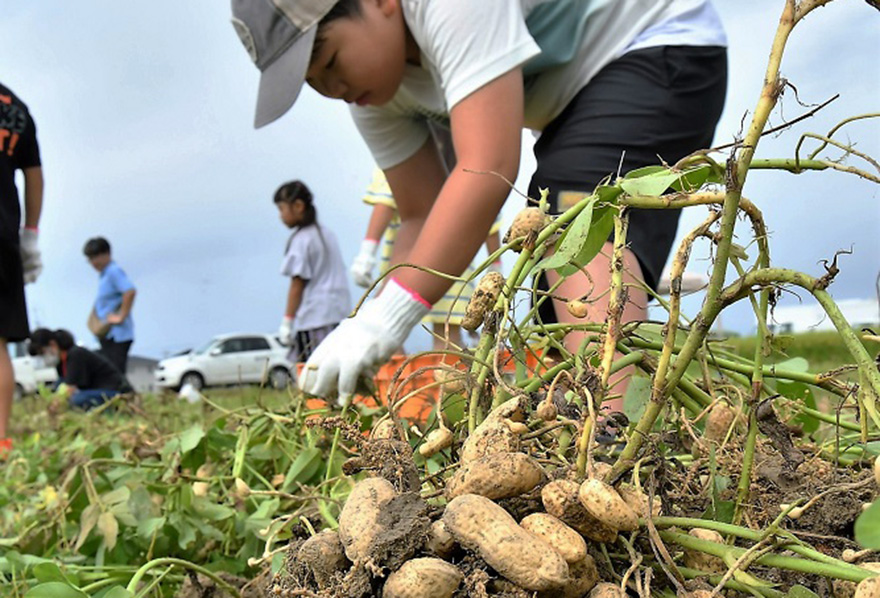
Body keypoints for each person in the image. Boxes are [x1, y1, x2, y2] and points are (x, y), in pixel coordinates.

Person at [230, 0, 728, 406]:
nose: (332, 90)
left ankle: (614, 450)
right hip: (579, 95)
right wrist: (372, 324)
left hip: (658, 41)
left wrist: (385, 320)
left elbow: (485, 169)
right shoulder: (369, 95)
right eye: (312, 83)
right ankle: (604, 426)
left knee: (578, 216)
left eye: (331, 62)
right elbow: (421, 213)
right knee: (552, 292)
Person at [0, 82, 44, 457]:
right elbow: (33, 174)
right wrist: (30, 234)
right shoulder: (15, 108)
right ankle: (0, 441)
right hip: (3, 234)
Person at [274, 180, 351, 365]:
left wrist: (287, 322)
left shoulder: (301, 240)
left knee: (314, 371)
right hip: (339, 313)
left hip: (314, 317)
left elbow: (297, 284)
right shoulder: (327, 234)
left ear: (298, 206)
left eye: (282, 208)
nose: (280, 215)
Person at [28, 328, 133, 411]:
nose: (43, 358)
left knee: (77, 400)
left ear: (52, 344)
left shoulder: (76, 354)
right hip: (95, 392)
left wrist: (55, 404)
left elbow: (70, 389)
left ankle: (116, 409)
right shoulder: (61, 363)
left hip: (115, 392)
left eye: (42, 353)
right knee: (58, 385)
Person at [83, 237, 136, 373]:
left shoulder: (113, 271)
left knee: (116, 374)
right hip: (107, 334)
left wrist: (121, 316)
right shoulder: (104, 275)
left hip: (118, 334)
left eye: (96, 257)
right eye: (90, 259)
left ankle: (123, 394)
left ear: (106, 253)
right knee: (110, 372)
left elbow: (129, 291)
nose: (93, 262)